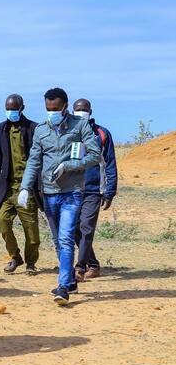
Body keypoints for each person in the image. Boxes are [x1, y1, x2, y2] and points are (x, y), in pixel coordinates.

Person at [19, 88, 100, 305]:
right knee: (57, 240)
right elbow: (34, 160)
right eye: (48, 109)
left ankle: (63, 286)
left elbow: (94, 155)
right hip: (48, 193)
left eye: (55, 109)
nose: (51, 112)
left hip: (71, 192)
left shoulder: (80, 126)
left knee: (65, 239)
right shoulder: (41, 130)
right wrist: (25, 187)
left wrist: (69, 165)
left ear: (65, 106)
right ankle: (71, 280)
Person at [0, 94, 42, 275]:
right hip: (7, 188)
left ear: (22, 108)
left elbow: (39, 159)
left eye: (14, 108)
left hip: (27, 189)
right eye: (8, 108)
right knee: (3, 223)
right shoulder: (1, 129)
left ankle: (31, 263)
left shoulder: (33, 128)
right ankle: (15, 257)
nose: (10, 112)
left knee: (31, 231)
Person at [72, 98, 118, 281]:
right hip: (72, 189)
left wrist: (110, 191)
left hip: (93, 190)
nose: (80, 111)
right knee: (75, 228)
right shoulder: (69, 132)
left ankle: (80, 268)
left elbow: (110, 164)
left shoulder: (102, 133)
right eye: (77, 109)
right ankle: (93, 264)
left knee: (86, 228)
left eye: (83, 109)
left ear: (90, 111)